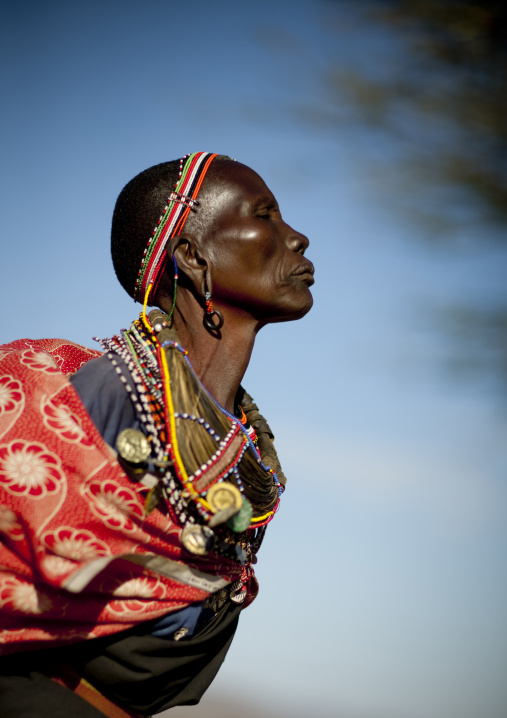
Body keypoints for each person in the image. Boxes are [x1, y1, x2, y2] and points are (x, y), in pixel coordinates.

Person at [0, 152, 314, 717]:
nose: (298, 238)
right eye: (264, 215)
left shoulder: (244, 451)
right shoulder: (57, 386)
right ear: (192, 257)